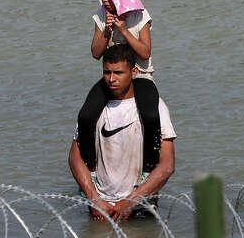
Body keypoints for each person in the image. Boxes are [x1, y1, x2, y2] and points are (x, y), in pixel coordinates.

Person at [69, 44, 176, 221]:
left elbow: (167, 164)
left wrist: (130, 201)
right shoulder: (93, 110)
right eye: (107, 72)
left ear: (133, 72)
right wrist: (93, 197)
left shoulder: (155, 107)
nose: (111, 79)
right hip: (100, 206)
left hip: (140, 204)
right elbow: (74, 156)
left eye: (118, 73)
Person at [78, 0, 161, 178]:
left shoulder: (140, 16)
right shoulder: (101, 15)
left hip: (140, 76)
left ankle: (149, 168)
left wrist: (124, 30)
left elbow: (144, 51)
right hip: (112, 77)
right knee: (86, 116)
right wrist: (107, 30)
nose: (105, 0)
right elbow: (96, 53)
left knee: (151, 116)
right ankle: (91, 167)